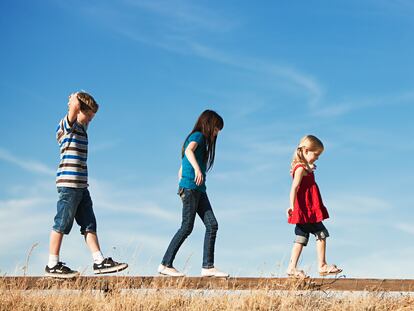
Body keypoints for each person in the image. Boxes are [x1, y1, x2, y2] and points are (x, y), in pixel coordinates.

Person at [45, 92, 128, 278]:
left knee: (89, 223)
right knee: (62, 223)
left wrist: (86, 109)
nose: (90, 120)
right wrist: (74, 98)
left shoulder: (82, 129)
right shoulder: (68, 125)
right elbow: (74, 107)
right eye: (88, 115)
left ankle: (99, 261)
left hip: (82, 187)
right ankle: (52, 264)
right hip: (69, 185)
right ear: (78, 110)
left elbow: (81, 112)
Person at [158, 110, 228, 277]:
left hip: (198, 189)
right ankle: (165, 264)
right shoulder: (198, 136)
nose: (217, 132)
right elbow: (189, 151)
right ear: (209, 124)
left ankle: (207, 267)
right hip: (191, 188)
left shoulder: (200, 140)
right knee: (186, 227)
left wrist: (183, 175)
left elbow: (183, 163)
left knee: (212, 225)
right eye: (217, 128)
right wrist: (196, 170)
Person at [286, 135, 342, 278]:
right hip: (305, 210)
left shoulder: (303, 168)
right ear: (305, 150)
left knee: (301, 236)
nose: (317, 158)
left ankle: (292, 267)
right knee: (321, 233)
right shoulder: (300, 169)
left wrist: (309, 168)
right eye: (315, 155)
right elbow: (294, 188)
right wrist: (292, 207)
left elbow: (306, 174)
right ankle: (322, 265)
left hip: (307, 210)